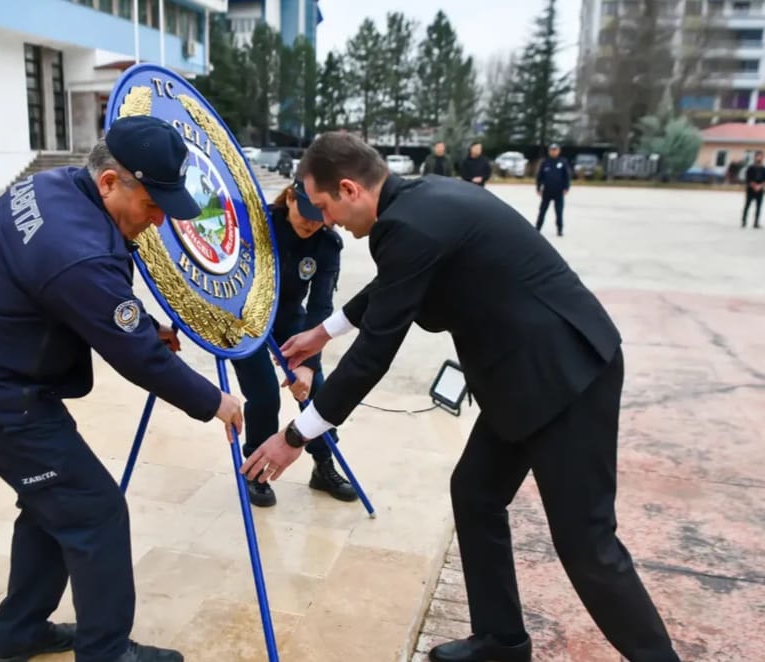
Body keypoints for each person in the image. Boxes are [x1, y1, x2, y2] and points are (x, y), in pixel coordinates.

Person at [239, 132, 681, 662]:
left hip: (566, 376)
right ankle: (501, 640)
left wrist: (297, 436)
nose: (326, 219)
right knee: (475, 491)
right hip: (519, 378)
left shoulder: (408, 225)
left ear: (350, 189)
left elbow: (374, 356)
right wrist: (323, 332)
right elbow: (396, 283)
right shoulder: (421, 200)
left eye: (325, 205)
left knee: (588, 545)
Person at [0, 115, 244, 662]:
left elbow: (88, 303)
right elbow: (135, 356)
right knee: (95, 513)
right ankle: (107, 652)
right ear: (108, 182)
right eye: (151, 206)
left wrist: (141, 324)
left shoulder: (45, 188)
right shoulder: (80, 253)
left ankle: (21, 632)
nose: (157, 220)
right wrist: (215, 402)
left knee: (52, 506)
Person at [231, 179, 357, 507]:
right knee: (264, 393)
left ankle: (323, 464)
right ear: (290, 197)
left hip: (290, 320)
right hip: (246, 319)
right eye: (306, 212)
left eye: (320, 216)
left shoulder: (327, 244)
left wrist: (307, 363)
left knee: (317, 389)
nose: (312, 222)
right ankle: (255, 470)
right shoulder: (257, 224)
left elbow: (321, 305)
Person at [535, 143, 571, 236]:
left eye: (555, 150)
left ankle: (559, 229)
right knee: (542, 210)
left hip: (558, 191)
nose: (553, 151)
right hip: (547, 191)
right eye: (552, 150)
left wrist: (566, 188)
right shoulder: (545, 162)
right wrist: (538, 187)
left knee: (559, 211)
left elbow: (567, 176)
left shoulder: (563, 162)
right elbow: (540, 176)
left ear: (558, 151)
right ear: (549, 151)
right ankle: (537, 228)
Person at [741, 151, 765, 229]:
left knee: (758, 207)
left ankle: (756, 222)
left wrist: (760, 186)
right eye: (758, 156)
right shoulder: (751, 167)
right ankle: (744, 221)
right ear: (755, 157)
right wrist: (754, 186)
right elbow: (748, 179)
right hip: (751, 189)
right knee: (747, 205)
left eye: (761, 156)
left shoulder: (764, 168)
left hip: (760, 190)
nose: (760, 158)